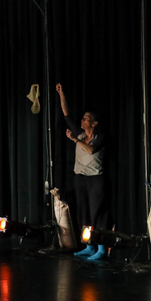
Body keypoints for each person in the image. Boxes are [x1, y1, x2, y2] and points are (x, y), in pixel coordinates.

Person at [56, 83, 109, 260]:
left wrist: (74, 139)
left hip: (96, 180)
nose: (82, 120)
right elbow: (67, 114)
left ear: (94, 123)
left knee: (97, 214)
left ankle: (101, 249)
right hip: (80, 178)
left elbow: (91, 150)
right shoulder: (79, 134)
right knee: (84, 213)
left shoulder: (99, 137)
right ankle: (89, 246)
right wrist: (61, 93)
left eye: (86, 118)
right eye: (83, 118)